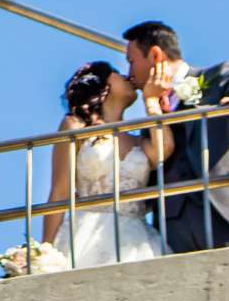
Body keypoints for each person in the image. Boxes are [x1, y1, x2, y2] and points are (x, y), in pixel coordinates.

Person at [122, 19, 229, 251]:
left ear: (155, 55)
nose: (129, 74)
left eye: (131, 62)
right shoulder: (150, 106)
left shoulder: (219, 75)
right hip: (174, 227)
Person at [38, 61, 170, 269]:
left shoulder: (138, 141)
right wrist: (44, 251)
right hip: (86, 234)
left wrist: (151, 101)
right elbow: (59, 192)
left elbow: (164, 150)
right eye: (116, 73)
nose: (127, 76)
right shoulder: (75, 125)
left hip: (137, 239)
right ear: (100, 84)